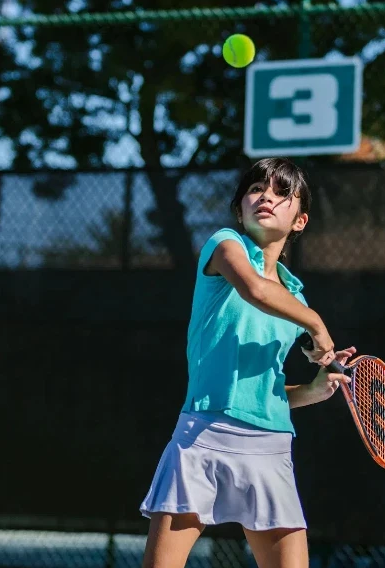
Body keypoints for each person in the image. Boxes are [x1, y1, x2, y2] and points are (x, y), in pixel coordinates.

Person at [139, 157, 355, 568]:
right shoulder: (224, 246)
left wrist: (312, 390)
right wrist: (316, 325)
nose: (266, 198)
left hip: (271, 448)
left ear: (300, 221)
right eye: (256, 190)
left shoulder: (295, 296)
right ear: (239, 209)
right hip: (204, 436)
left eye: (281, 193)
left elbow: (265, 392)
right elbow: (256, 290)